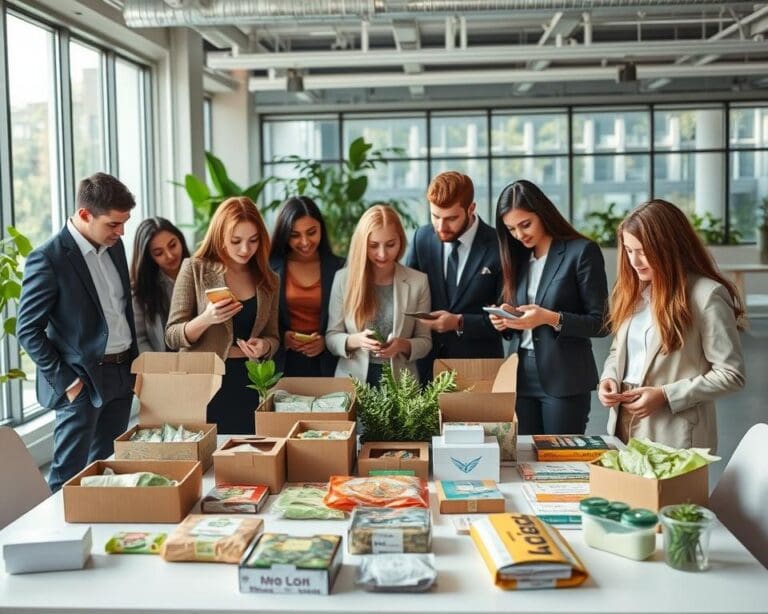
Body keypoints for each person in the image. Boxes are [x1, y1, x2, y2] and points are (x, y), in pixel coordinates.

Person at [17, 172, 138, 492]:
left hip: (122, 373)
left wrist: (134, 367)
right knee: (67, 475)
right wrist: (68, 383)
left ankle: (102, 536)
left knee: (110, 467)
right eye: (113, 224)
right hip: (81, 381)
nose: (121, 231)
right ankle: (59, 540)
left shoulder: (115, 246)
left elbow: (122, 309)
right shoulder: (48, 258)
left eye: (124, 222)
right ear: (85, 215)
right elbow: (28, 329)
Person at [598, 199, 745, 451]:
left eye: (643, 250)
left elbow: (731, 374)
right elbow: (618, 351)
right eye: (629, 250)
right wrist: (609, 378)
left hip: (675, 431)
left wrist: (666, 395)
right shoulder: (634, 293)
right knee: (624, 491)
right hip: (623, 422)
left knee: (672, 493)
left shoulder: (706, 295)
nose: (635, 261)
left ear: (669, 246)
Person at [489, 179, 608, 435]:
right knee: (525, 459)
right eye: (511, 229)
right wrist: (505, 321)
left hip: (564, 377)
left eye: (525, 224)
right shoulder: (518, 258)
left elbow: (601, 323)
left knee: (560, 460)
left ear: (542, 213)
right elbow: (520, 320)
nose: (520, 235)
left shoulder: (581, 252)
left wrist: (550, 318)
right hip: (520, 375)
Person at [165, 196, 279, 434]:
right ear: (220, 236)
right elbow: (172, 335)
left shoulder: (269, 279)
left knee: (249, 457)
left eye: (253, 240)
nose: (245, 249)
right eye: (236, 241)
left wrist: (264, 347)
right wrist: (206, 318)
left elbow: (273, 336)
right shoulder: (195, 268)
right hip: (204, 383)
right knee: (205, 460)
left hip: (249, 383)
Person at [406, 171, 503, 383]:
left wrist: (459, 323)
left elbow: (507, 322)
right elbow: (406, 295)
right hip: (426, 367)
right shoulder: (421, 238)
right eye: (435, 216)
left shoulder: (500, 246)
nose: (441, 227)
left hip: (480, 368)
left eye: (451, 218)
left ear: (471, 209)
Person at [326, 205, 432, 386]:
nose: (382, 254)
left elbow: (425, 341)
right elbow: (331, 337)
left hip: (402, 384)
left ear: (401, 241)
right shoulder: (343, 279)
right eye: (373, 246)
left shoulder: (418, 282)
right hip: (353, 382)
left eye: (390, 244)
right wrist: (356, 340)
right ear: (362, 244)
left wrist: (402, 345)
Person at [269, 196, 344, 377]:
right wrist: (281, 337)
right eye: (294, 235)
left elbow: (352, 319)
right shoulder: (269, 268)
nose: (304, 242)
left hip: (328, 362)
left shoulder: (341, 268)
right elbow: (261, 318)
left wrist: (327, 341)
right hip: (284, 362)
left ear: (321, 229)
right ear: (284, 234)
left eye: (311, 232)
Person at [130, 217, 190, 353]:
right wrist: (160, 369)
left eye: (173, 245)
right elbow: (139, 339)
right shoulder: (140, 290)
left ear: (180, 239)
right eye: (158, 253)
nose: (169, 255)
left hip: (202, 363)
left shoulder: (201, 274)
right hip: (161, 367)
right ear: (149, 257)